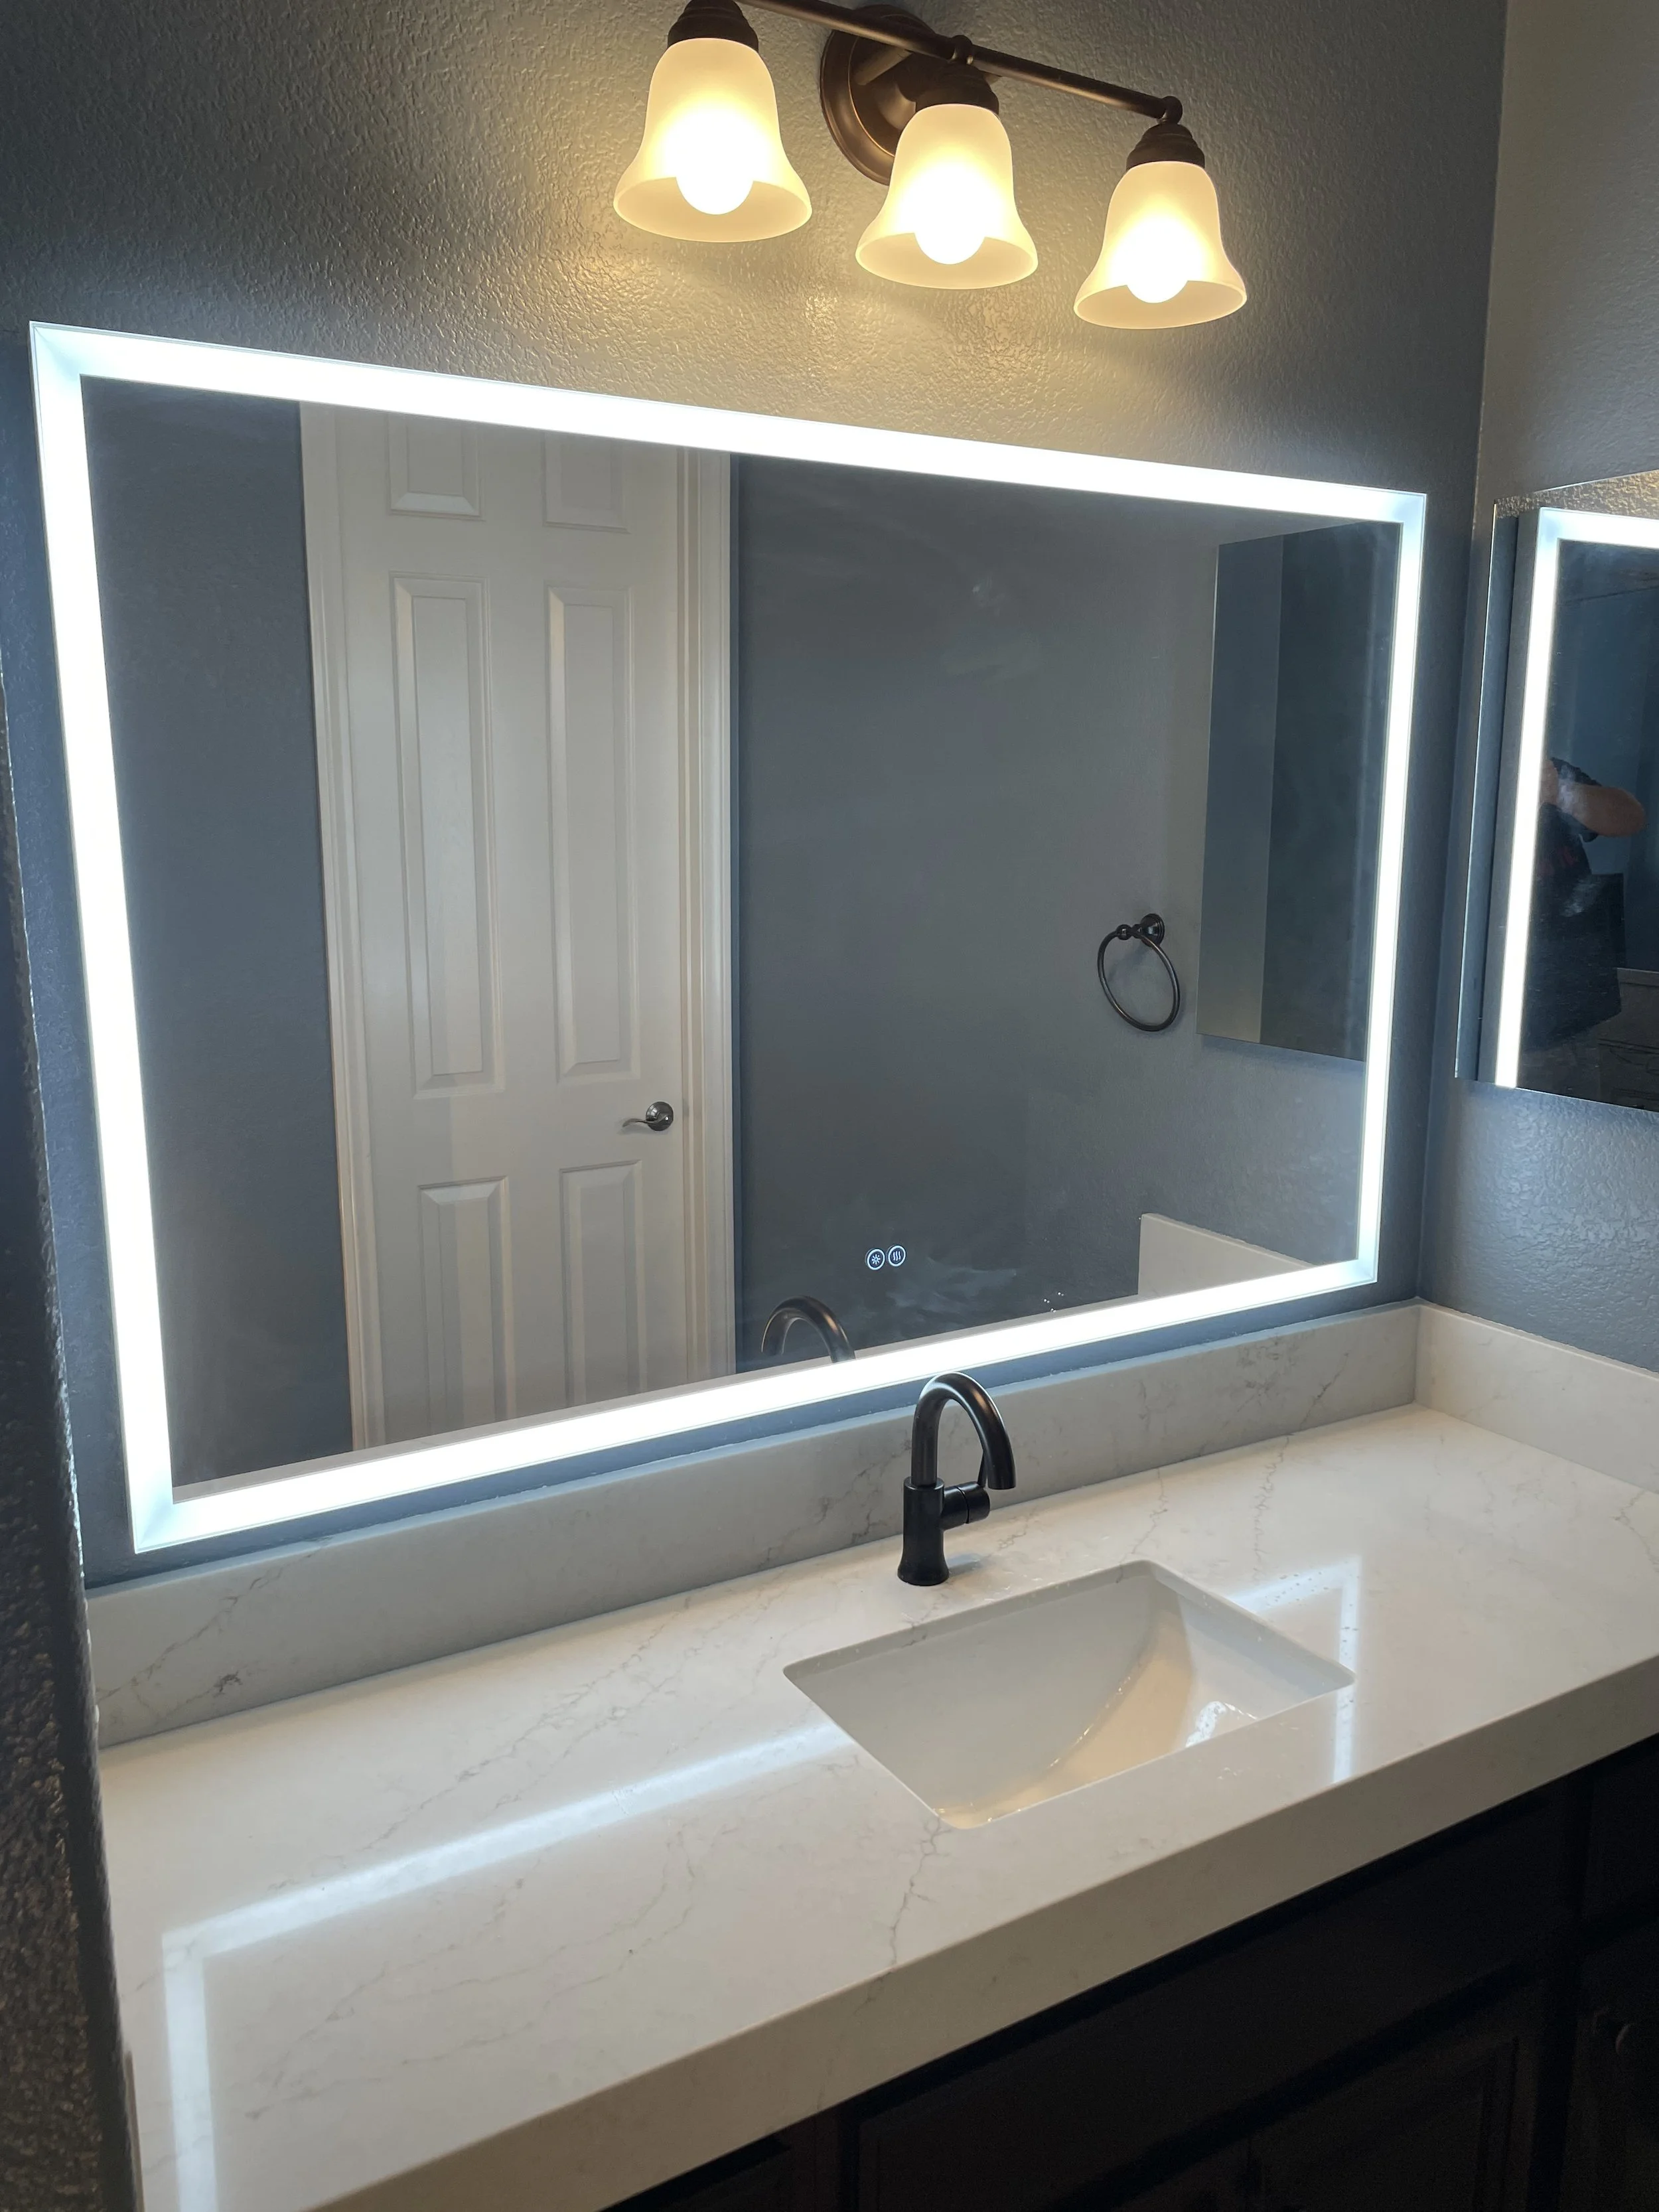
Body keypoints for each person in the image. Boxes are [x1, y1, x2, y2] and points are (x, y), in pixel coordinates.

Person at [1521, 756, 1646, 1096]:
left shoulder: (1539, 766)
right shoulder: (1454, 787)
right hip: (1508, 1018)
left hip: (1574, 1007)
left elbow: (1631, 816)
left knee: (1580, 1115)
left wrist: (1557, 791)